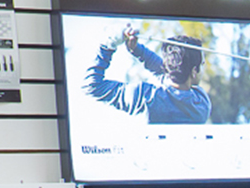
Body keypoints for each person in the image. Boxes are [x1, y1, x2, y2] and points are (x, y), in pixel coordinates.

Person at [84, 24, 212, 124]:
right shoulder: (201, 105)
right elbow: (169, 74)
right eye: (202, 64)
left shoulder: (143, 96)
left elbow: (92, 86)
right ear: (194, 71)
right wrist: (137, 49)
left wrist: (108, 45)